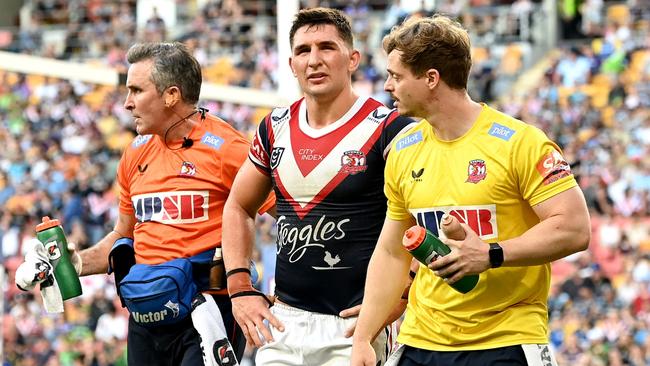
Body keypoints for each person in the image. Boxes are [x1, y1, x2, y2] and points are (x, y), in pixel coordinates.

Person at [351, 14, 591, 366]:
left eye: (396, 76)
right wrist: (362, 337)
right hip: (420, 341)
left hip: (507, 342)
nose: (387, 86)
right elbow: (390, 252)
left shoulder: (521, 143)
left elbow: (574, 228)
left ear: (431, 78)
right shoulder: (403, 150)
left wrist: (491, 254)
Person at [17, 42, 273, 365]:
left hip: (207, 312)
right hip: (146, 318)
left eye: (136, 90)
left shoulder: (229, 149)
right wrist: (76, 264)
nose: (126, 103)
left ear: (171, 95)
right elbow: (122, 236)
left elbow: (286, 213)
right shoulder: (134, 153)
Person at [221, 7, 415, 366]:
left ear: (352, 58)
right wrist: (240, 288)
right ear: (291, 63)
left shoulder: (389, 128)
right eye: (303, 51)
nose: (314, 60)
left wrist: (405, 291)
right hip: (282, 322)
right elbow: (237, 206)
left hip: (353, 328)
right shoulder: (273, 126)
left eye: (327, 47)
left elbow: (423, 216)